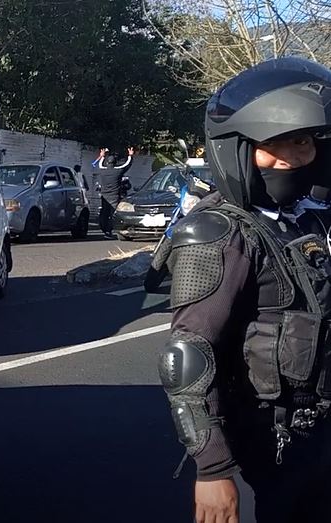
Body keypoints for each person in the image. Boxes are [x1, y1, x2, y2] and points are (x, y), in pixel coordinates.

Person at [151, 57, 331, 523]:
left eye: (303, 141)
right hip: (277, 436)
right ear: (239, 148)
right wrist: (212, 470)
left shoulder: (302, 220)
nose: (292, 157)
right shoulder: (219, 233)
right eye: (274, 144)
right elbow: (187, 356)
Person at [93, 147, 135, 239]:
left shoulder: (103, 170)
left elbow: (99, 164)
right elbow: (127, 165)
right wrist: (130, 155)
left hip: (104, 195)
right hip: (114, 196)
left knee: (104, 212)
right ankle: (109, 230)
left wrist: (102, 156)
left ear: (107, 163)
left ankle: (104, 229)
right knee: (113, 214)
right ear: (115, 163)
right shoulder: (118, 171)